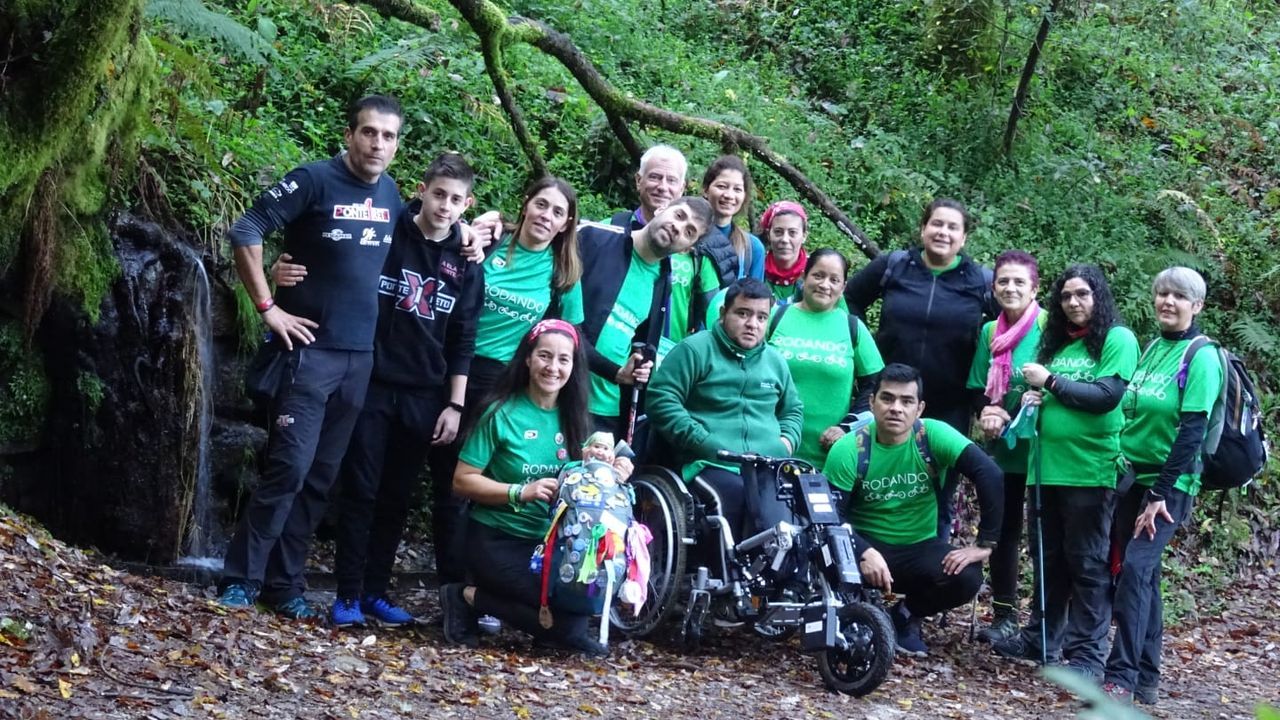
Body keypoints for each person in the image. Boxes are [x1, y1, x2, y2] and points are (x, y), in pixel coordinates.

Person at [218, 95, 404, 619]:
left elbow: (425, 239)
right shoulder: (313, 180)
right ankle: (240, 579)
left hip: (359, 359)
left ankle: (286, 585)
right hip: (307, 353)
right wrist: (267, 305)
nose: (378, 144)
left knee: (321, 478)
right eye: (369, 132)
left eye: (388, 137)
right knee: (289, 469)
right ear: (349, 134)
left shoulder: (390, 194)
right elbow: (246, 228)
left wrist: (471, 237)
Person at [326, 153, 485, 627]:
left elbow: (463, 338)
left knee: (397, 495)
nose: (445, 206)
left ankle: (376, 590)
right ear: (422, 190)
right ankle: (348, 594)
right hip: (371, 381)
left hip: (425, 392)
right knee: (360, 488)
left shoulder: (466, 261)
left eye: (456, 200)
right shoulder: (389, 229)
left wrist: (455, 404)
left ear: (468, 204)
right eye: (439, 194)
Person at [441, 319, 630, 656]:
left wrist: (615, 466)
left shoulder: (576, 416)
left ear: (574, 365)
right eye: (544, 356)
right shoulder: (500, 412)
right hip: (497, 539)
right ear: (528, 359)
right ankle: (465, 596)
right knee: (569, 625)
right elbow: (461, 481)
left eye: (563, 359)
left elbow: (594, 464)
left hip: (552, 543)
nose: (553, 367)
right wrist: (519, 491)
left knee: (583, 599)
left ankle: (547, 623)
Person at [993, 264, 1139, 681]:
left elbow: (1106, 397)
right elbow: (1045, 391)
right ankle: (1043, 638)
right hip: (1045, 470)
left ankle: (1088, 654)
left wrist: (1051, 383)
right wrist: (1033, 399)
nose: (1074, 303)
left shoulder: (1117, 339)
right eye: (1066, 296)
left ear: (1098, 297)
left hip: (1090, 470)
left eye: (1083, 294)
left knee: (1087, 563)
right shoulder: (1056, 342)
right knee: (1047, 558)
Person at [823, 363, 1004, 657]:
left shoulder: (933, 436)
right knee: (822, 557)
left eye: (906, 401)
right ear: (872, 403)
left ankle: (904, 616)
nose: (896, 408)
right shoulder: (849, 449)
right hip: (866, 547)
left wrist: (985, 543)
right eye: (887, 398)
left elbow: (989, 473)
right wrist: (862, 551)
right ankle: (856, 614)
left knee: (968, 575)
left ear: (919, 408)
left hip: (917, 548)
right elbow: (830, 518)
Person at [1102, 267, 1223, 704]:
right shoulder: (1153, 347)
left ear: (1197, 306)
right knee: (1142, 576)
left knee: (1135, 570)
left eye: (1178, 296)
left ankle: (1122, 675)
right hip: (1132, 477)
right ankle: (1148, 675)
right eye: (1162, 294)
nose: (1167, 302)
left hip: (1170, 486)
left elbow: (1191, 432)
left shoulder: (1202, 356)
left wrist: (1158, 494)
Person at [844, 198, 995, 540]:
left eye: (952, 227)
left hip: (948, 406)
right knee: (867, 479)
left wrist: (988, 394)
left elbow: (1008, 333)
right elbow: (848, 300)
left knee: (938, 494)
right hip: (887, 399)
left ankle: (930, 577)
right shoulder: (896, 265)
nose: (943, 232)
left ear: (964, 237)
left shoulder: (981, 281)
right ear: (923, 228)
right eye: (936, 224)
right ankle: (859, 565)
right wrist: (863, 355)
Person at [646, 278, 804, 541]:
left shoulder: (775, 361)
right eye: (743, 313)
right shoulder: (695, 350)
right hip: (709, 461)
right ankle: (726, 578)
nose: (752, 324)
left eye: (762, 317)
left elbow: (793, 410)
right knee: (735, 498)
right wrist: (701, 439)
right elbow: (661, 399)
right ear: (723, 313)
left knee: (798, 508)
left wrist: (786, 442)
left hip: (768, 463)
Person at [577, 197, 712, 437]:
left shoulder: (663, 281)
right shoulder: (594, 237)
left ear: (686, 248)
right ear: (661, 209)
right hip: (558, 390)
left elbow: (640, 343)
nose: (678, 228)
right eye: (679, 216)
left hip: (607, 410)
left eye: (689, 232)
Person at [966, 250, 1044, 643]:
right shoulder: (988, 333)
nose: (1010, 288)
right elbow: (978, 388)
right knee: (1005, 531)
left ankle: (1047, 623)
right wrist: (989, 411)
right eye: (1003, 282)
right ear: (993, 287)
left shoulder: (1049, 327)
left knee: (1046, 535)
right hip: (1007, 449)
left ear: (1035, 288)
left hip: (1048, 450)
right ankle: (1005, 617)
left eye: (1019, 282)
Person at [767, 248, 884, 468]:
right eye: (818, 275)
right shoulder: (776, 317)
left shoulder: (853, 328)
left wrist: (848, 427)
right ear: (804, 276)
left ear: (843, 287)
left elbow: (876, 386)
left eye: (834, 279)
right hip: (771, 447)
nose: (825, 284)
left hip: (829, 456)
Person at [701, 155, 766, 281]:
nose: (729, 195)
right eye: (722, 186)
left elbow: (755, 298)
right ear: (705, 189)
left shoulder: (752, 248)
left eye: (737, 189)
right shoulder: (687, 236)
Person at [760, 200, 811, 304]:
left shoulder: (814, 272)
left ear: (804, 236)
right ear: (769, 234)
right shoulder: (756, 268)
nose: (785, 239)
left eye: (792, 233)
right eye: (778, 232)